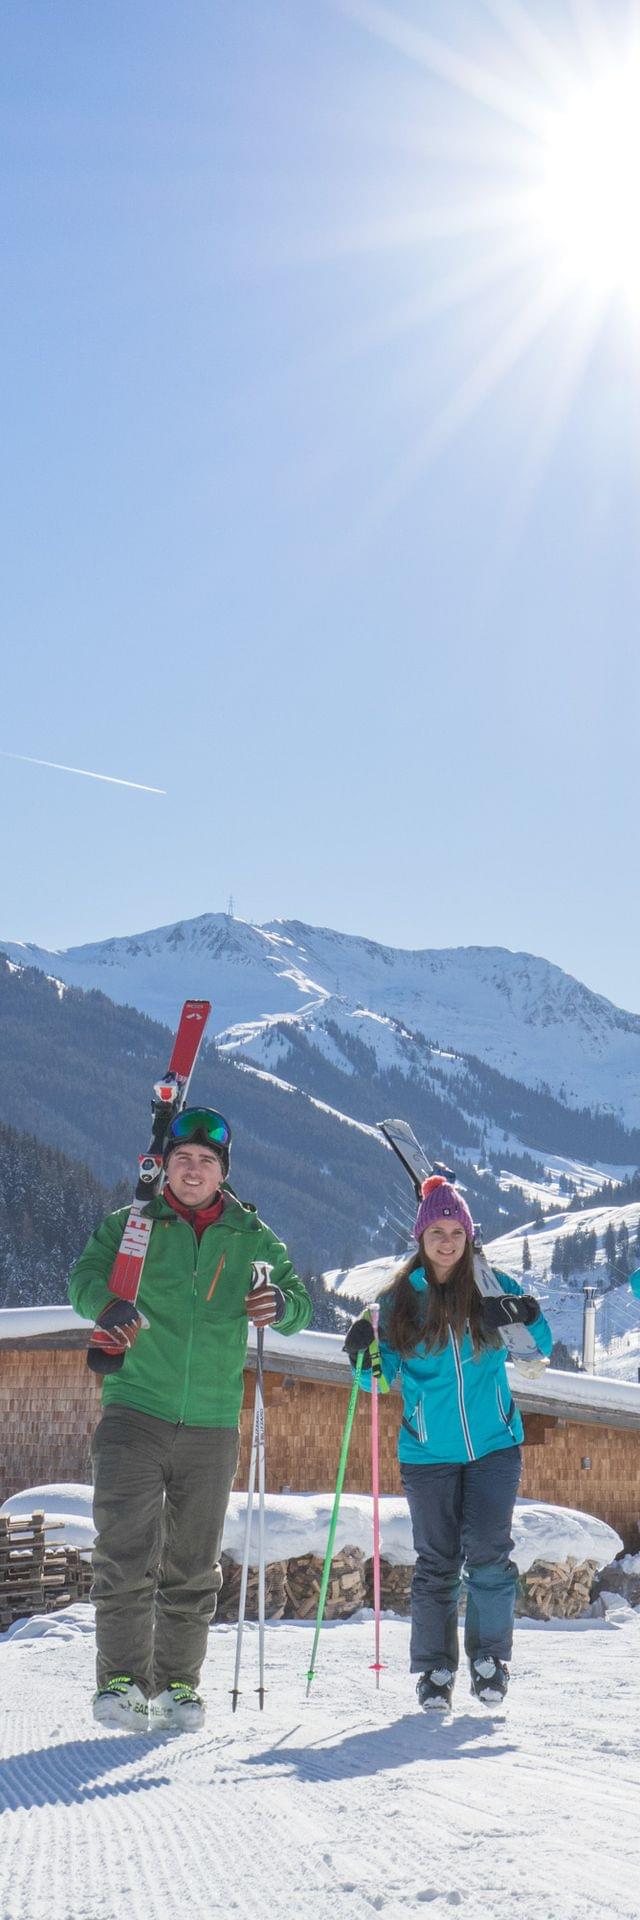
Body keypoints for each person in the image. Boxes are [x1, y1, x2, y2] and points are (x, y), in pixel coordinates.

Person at [69, 1106, 312, 1731]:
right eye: (184, 1159)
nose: (194, 1169)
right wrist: (109, 1303)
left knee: (192, 1563)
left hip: (211, 1422)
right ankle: (121, 1682)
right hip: (134, 1410)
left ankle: (178, 1686)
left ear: (222, 1172)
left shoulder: (252, 1237)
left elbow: (298, 1303)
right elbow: (84, 1279)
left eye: (206, 1161)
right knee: (123, 1552)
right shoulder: (133, 1227)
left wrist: (280, 1304)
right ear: (167, 1167)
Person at [344, 1175, 552, 1712]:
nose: (445, 1240)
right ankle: (435, 1672)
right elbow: (379, 1379)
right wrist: (362, 1356)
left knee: (489, 1556)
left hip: (494, 1446)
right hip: (428, 1452)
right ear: (420, 1236)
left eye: (455, 1229)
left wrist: (528, 1315)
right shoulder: (398, 1301)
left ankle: (490, 1661)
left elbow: (537, 1352)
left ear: (468, 1235)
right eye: (435, 1229)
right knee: (437, 1563)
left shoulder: (491, 1284)